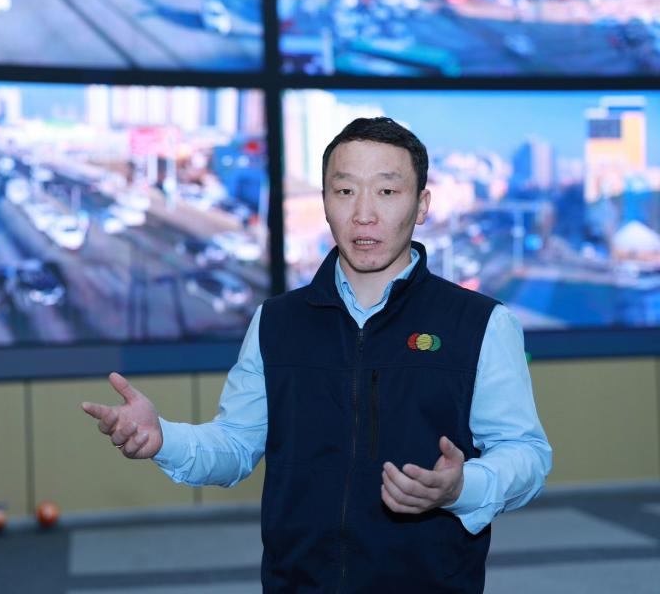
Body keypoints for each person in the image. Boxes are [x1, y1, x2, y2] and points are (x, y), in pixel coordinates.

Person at [82, 117, 552, 593]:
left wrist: (463, 486)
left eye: (387, 192)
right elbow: (236, 445)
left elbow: (526, 454)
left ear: (422, 204)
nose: (363, 214)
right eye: (345, 191)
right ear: (325, 202)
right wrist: (164, 438)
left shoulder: (481, 323)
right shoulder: (277, 322)